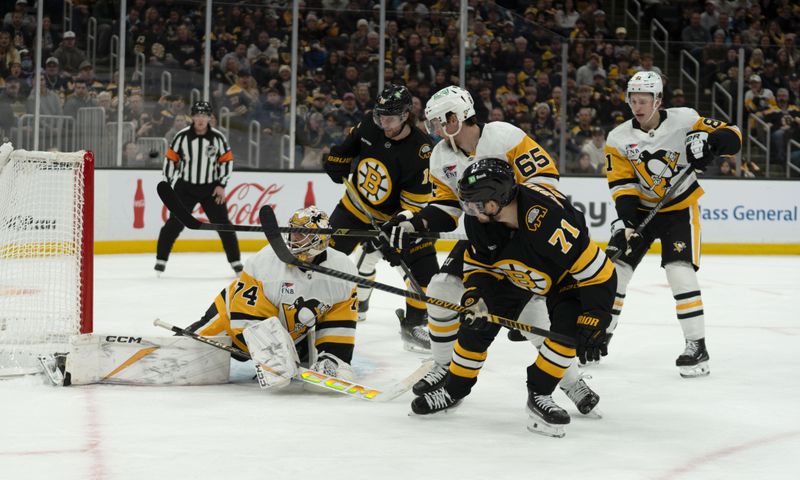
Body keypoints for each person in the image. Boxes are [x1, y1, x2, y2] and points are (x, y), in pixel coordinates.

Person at [381, 86, 601, 417]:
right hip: (481, 238)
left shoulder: (502, 136)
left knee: (525, 311)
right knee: (443, 286)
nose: (437, 129)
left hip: (524, 235)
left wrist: (502, 215)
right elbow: (445, 207)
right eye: (435, 123)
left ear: (458, 116)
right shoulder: (441, 155)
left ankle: (569, 381)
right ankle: (444, 367)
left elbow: (546, 181)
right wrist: (413, 222)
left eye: (442, 121)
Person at [409, 158, 616, 438]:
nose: (471, 211)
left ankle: (540, 394)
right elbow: (478, 264)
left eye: (478, 203)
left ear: (500, 198)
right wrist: (474, 295)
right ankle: (453, 390)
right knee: (476, 324)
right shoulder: (480, 221)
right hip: (510, 273)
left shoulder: (552, 222)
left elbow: (600, 274)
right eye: (468, 204)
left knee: (568, 330)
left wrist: (596, 319)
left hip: (561, 277)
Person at [603, 71, 742, 378]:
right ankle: (600, 334)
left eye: (644, 100)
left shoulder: (685, 119)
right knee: (617, 272)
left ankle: (696, 345)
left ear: (659, 100)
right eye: (633, 100)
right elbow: (622, 184)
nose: (637, 107)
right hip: (640, 212)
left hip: (679, 209)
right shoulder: (618, 138)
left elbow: (733, 134)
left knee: (679, 271)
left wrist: (711, 144)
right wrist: (627, 222)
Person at [322, 84, 437, 353]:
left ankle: (414, 323)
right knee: (322, 259)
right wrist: (337, 159)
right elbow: (349, 146)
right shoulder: (370, 124)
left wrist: (392, 236)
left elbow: (413, 207)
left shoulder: (421, 151)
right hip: (354, 208)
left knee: (425, 269)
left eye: (391, 117)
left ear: (407, 115)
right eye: (380, 115)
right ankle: (312, 312)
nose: (383, 122)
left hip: (393, 218)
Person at [186, 206, 358, 380]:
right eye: (292, 232)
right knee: (186, 351)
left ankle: (313, 355)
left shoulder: (343, 270)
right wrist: (275, 355)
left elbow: (340, 320)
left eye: (301, 234)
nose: (293, 238)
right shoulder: (264, 262)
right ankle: (185, 341)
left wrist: (333, 357)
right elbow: (247, 319)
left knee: (330, 360)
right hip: (228, 322)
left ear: (319, 239)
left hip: (291, 334)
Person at [156, 101, 243, 276]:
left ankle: (236, 263)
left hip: (211, 189)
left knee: (224, 225)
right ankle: (160, 261)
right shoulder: (181, 136)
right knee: (174, 223)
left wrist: (221, 184)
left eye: (205, 115)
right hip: (185, 187)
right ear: (192, 117)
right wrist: (167, 182)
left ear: (210, 118)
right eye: (198, 115)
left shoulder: (218, 138)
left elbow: (227, 161)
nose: (201, 119)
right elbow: (171, 159)